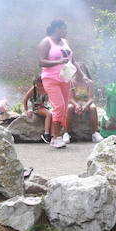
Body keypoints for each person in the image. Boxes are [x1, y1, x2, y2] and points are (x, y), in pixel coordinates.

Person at [37, 19, 74, 147]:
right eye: (64, 28)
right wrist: (58, 62)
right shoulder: (46, 42)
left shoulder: (65, 42)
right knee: (59, 106)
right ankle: (56, 137)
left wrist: (81, 74)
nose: (66, 31)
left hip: (65, 77)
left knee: (63, 108)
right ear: (57, 29)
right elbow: (41, 62)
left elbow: (71, 59)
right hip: (50, 78)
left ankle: (57, 136)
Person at [68, 63, 99, 142]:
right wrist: (76, 105)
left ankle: (95, 133)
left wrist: (85, 105)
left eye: (81, 70)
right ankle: (66, 133)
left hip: (86, 102)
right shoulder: (71, 82)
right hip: (75, 102)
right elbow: (70, 98)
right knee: (69, 107)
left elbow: (91, 98)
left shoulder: (89, 82)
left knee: (93, 108)